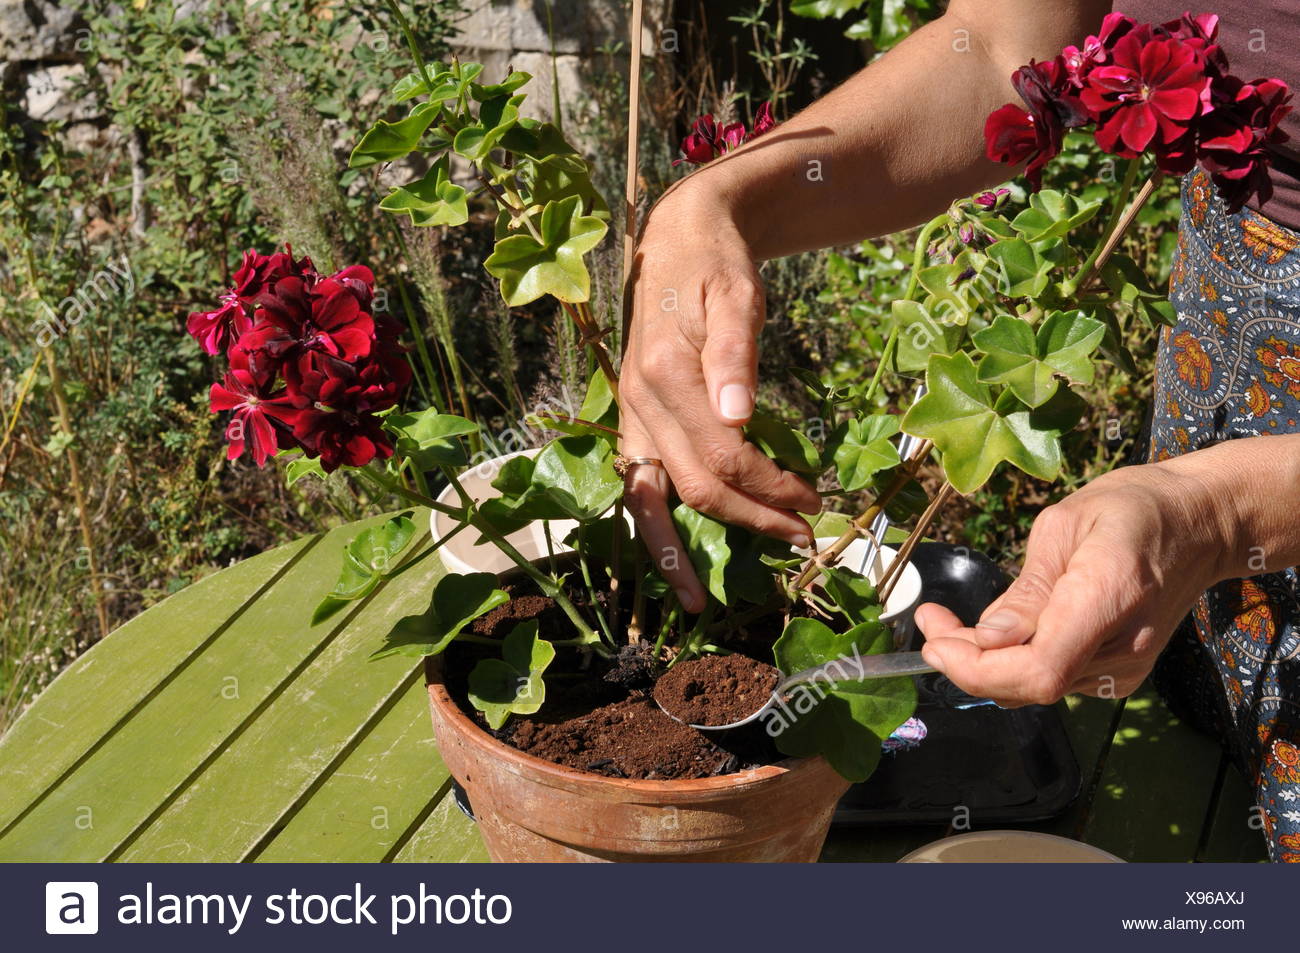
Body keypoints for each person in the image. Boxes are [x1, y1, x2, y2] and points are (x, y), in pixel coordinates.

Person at [621, 0, 1300, 861]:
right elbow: (1004, 54)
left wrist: (1225, 512)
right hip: (1225, 372)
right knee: (1210, 778)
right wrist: (718, 202)